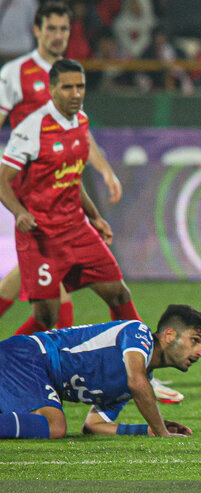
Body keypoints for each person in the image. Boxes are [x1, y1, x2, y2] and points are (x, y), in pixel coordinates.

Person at [0, 59, 146, 340]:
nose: (76, 93)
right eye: (68, 87)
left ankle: (139, 363)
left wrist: (94, 217)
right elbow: (2, 179)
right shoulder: (32, 129)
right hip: (41, 236)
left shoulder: (81, 121)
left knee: (118, 293)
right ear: (52, 90)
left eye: (80, 86)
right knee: (46, 317)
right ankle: (7, 362)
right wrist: (19, 212)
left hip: (78, 229)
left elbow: (71, 178)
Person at [0, 304, 201, 440]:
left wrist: (146, 429)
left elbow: (93, 425)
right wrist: (161, 431)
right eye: (195, 340)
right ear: (168, 335)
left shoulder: (137, 378)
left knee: (40, 423)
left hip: (29, 366)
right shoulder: (137, 332)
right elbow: (137, 382)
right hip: (29, 355)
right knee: (54, 425)